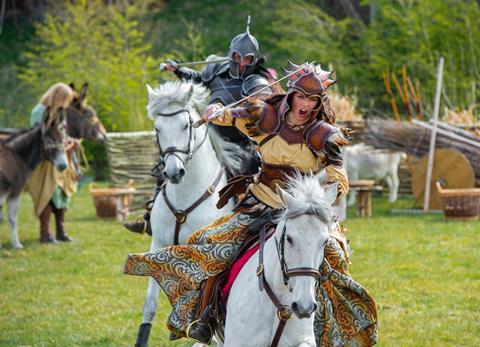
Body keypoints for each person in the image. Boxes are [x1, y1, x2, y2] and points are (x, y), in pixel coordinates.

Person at [124, 62, 377, 345]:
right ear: (291, 95)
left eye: (313, 99)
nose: (305, 104)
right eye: (301, 97)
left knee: (336, 259)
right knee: (212, 245)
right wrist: (214, 113)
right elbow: (231, 116)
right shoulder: (266, 117)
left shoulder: (324, 134)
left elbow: (338, 177)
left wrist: (324, 196)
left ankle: (334, 328)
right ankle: (205, 318)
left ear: (319, 102)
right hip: (259, 203)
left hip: (302, 212)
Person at [123, 18, 278, 235]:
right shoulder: (216, 69)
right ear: (231, 54)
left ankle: (245, 216)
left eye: (248, 58)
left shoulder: (258, 79)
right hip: (212, 131)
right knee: (169, 160)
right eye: (238, 57)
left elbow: (266, 109)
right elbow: (197, 78)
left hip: (241, 138)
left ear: (254, 59)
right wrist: (177, 70)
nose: (242, 62)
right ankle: (151, 215)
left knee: (248, 166)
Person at [26, 82, 79, 243]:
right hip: (45, 162)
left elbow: (60, 134)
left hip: (61, 159)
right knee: (47, 194)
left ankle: (60, 233)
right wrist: (60, 144)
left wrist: (70, 142)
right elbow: (39, 136)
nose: (66, 103)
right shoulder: (39, 112)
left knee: (61, 195)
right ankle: (45, 234)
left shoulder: (59, 112)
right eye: (65, 99)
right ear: (58, 97)